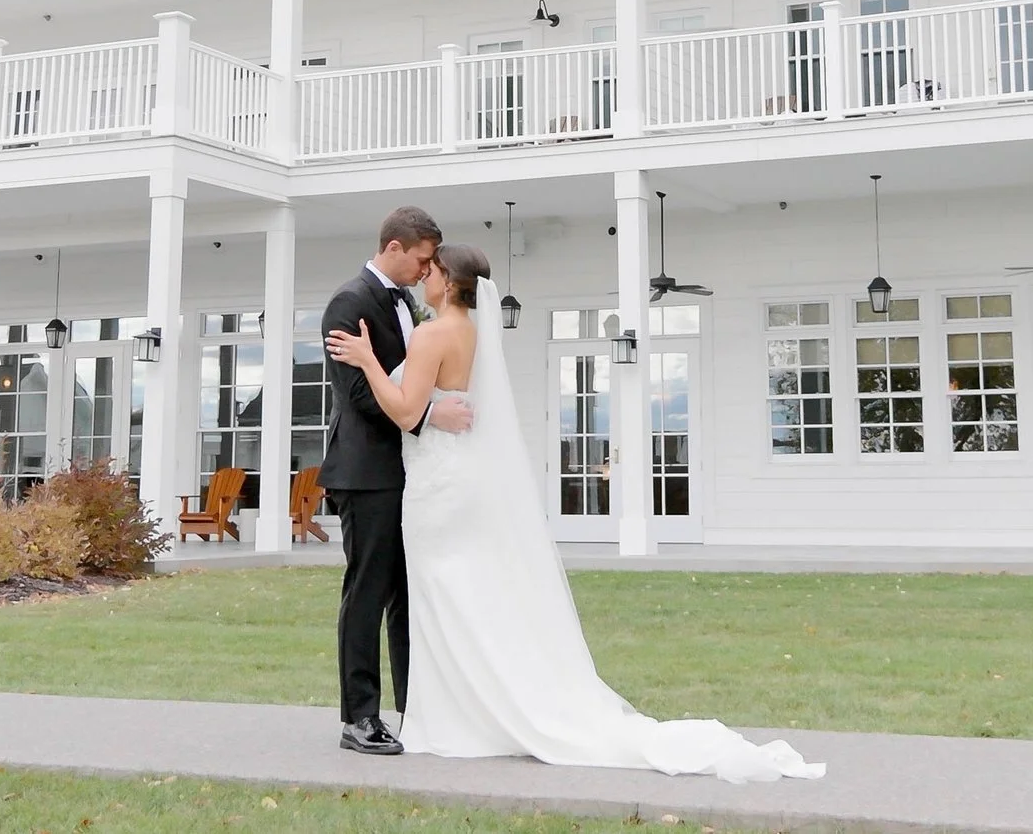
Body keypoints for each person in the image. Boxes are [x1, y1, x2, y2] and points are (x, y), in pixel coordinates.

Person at [327, 243, 824, 784]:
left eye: (433, 269)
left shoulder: (432, 333)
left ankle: (457, 714)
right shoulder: (472, 331)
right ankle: (457, 709)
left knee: (443, 596)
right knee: (457, 596)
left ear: (448, 282)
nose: (424, 274)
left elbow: (405, 413)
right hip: (453, 476)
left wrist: (369, 360)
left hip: (437, 489)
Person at [320, 206, 473, 757]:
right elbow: (357, 394)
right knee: (368, 590)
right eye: (422, 259)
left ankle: (415, 709)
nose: (427, 270)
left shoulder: (407, 303)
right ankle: (359, 717)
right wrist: (429, 415)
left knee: (409, 595)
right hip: (366, 473)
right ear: (393, 248)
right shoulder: (349, 302)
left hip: (412, 471)